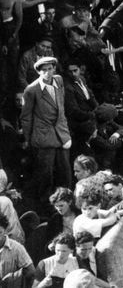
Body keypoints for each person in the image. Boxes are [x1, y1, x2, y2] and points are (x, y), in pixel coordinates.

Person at [20, 56, 72, 204]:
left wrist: (65, 129)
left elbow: (61, 107)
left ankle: (67, 202)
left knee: (65, 172)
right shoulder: (31, 90)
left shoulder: (59, 81)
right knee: (45, 175)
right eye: (44, 70)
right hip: (43, 137)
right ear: (38, 72)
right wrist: (30, 139)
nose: (48, 73)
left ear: (54, 69)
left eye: (50, 69)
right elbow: (26, 117)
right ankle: (46, 205)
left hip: (61, 134)